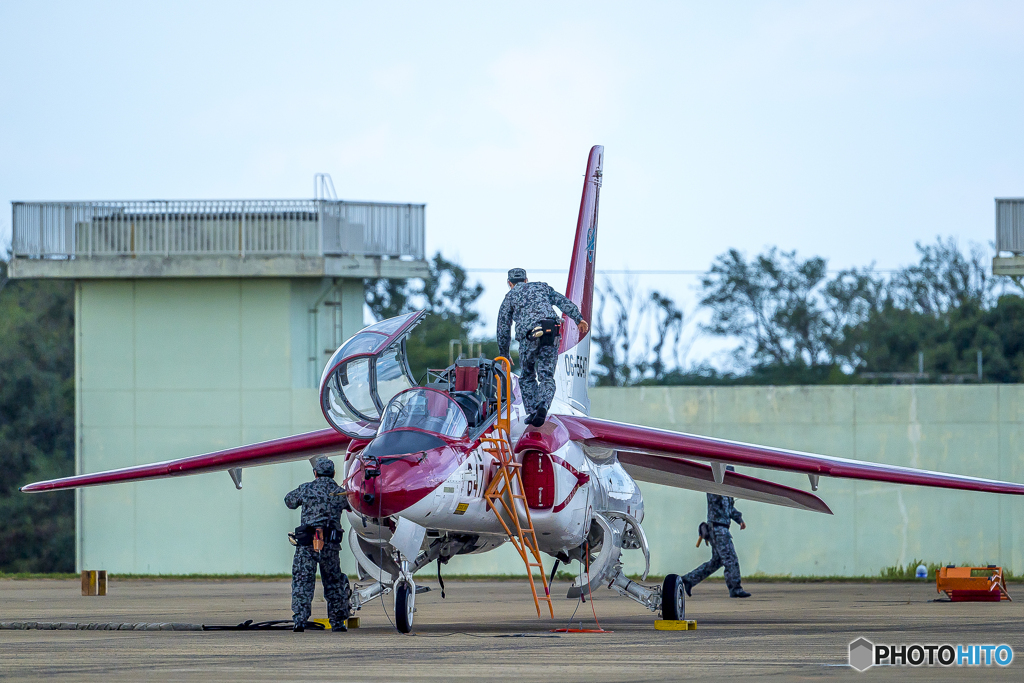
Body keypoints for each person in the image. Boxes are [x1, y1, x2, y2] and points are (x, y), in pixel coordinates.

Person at [497, 268, 589, 427]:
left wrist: (504, 354)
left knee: (527, 376)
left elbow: (503, 328)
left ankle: (533, 412)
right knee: (546, 375)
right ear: (526, 279)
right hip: (550, 332)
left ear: (509, 283)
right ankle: (543, 406)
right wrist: (579, 319)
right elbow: (563, 302)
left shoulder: (510, 296)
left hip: (529, 337)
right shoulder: (542, 287)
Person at [285, 457, 352, 632]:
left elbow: (289, 501)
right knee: (334, 582)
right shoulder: (339, 492)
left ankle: (299, 621)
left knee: (302, 582)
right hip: (330, 545)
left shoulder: (306, 488)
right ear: (333, 473)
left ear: (315, 473)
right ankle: (337, 622)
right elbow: (353, 505)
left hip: (306, 544)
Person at [682, 468, 751, 598]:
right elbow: (720, 501)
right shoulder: (715, 488)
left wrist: (739, 520)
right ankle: (735, 589)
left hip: (720, 528)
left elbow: (730, 509)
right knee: (730, 559)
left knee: (717, 561)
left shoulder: (726, 492)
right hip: (718, 529)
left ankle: (688, 580)